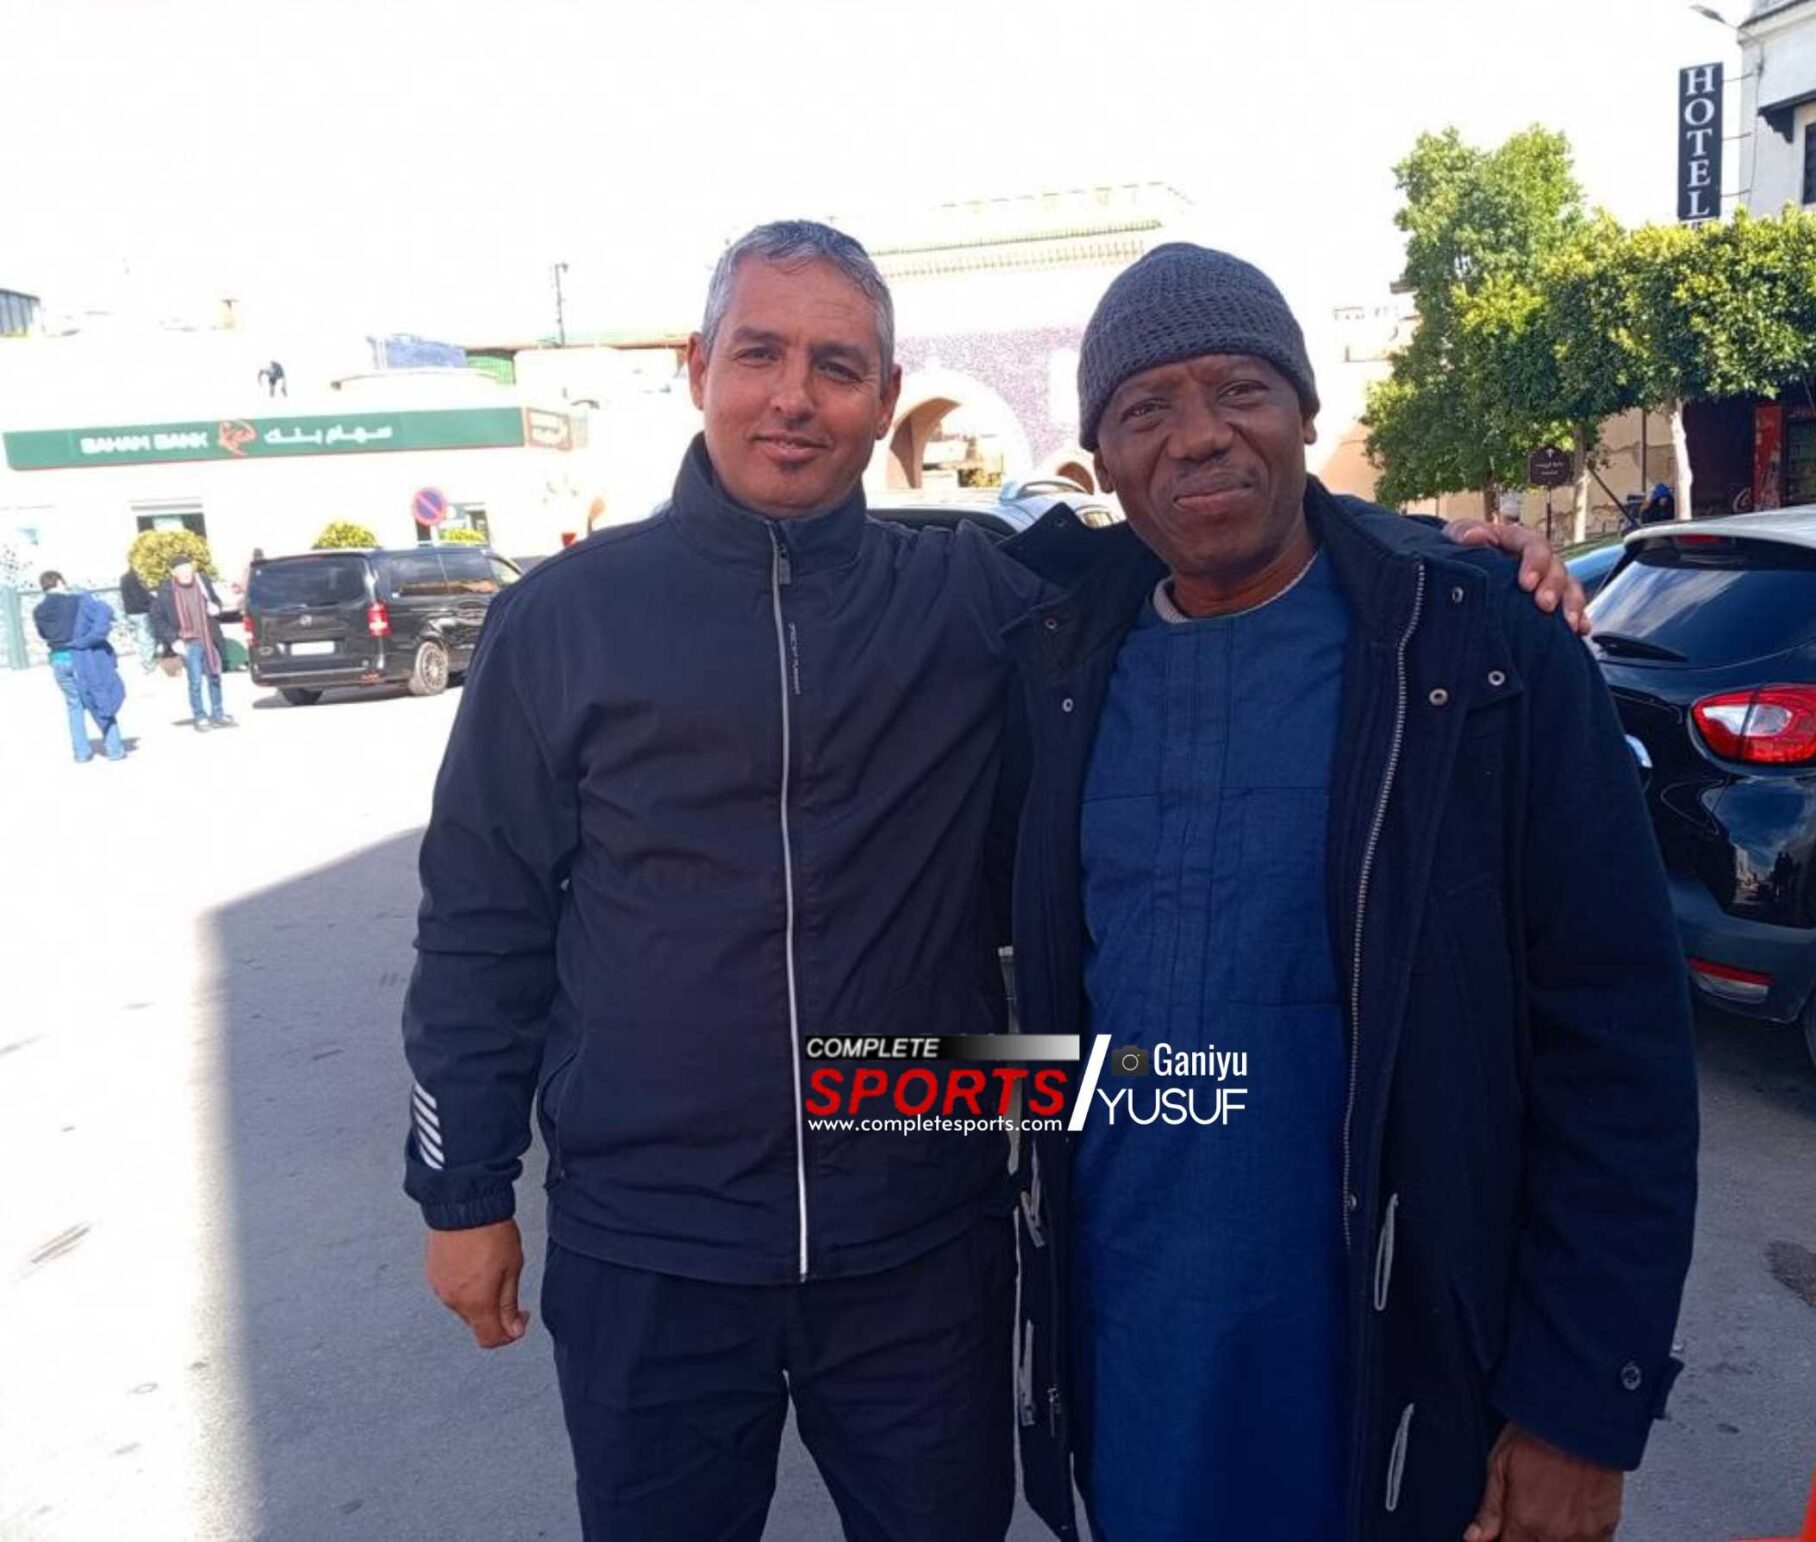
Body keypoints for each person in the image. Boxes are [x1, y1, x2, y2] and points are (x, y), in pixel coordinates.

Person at [401, 221, 1585, 1542]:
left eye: (836, 366)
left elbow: (1206, 515)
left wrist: (1443, 554)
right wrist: (463, 1191)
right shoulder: (563, 620)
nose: (794, 397)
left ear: (884, 399)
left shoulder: (975, 591)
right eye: (760, 355)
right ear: (699, 368)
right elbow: (481, 922)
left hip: (919, 1250)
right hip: (651, 1247)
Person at [1004, 245, 1699, 1542]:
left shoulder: (1474, 648)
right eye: (1145, 408)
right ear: (1100, 459)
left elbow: (1617, 1043)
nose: (1198, 435)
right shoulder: (1052, 668)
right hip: (1137, 1355)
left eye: (1240, 388)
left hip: (1400, 1369)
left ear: (1305, 412)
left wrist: (1579, 1402)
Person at [32, 571, 127, 763]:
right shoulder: (75, 601)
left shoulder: (38, 610)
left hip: (57, 659)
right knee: (99, 698)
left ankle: (81, 752)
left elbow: (43, 635)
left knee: (74, 705)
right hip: (81, 657)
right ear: (60, 582)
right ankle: (114, 749)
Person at [151, 555, 236, 731]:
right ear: (173, 573)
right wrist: (173, 639)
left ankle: (218, 714)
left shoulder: (202, 583)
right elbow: (157, 618)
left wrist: (216, 608)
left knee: (214, 676)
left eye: (188, 568)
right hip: (188, 641)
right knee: (195, 681)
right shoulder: (166, 591)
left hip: (209, 637)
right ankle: (200, 716)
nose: (186, 572)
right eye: (181, 570)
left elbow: (215, 601)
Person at [118, 563, 158, 672]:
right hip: (140, 612)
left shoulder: (124, 578)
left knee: (140, 637)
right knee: (147, 637)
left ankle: (146, 661)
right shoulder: (134, 579)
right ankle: (148, 663)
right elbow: (139, 597)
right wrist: (153, 602)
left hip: (131, 612)